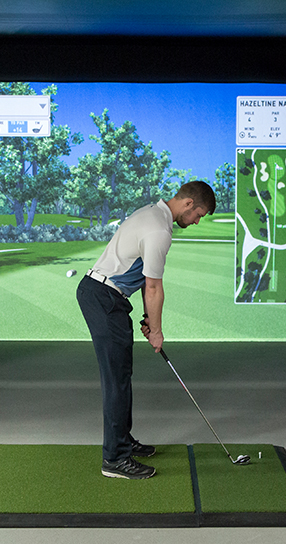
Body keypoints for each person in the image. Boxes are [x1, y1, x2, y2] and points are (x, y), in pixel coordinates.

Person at [76, 180, 216, 479]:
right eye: (199, 214)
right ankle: (114, 459)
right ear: (189, 204)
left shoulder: (153, 213)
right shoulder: (159, 230)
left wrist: (149, 319)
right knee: (116, 379)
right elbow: (153, 287)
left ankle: (122, 442)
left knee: (122, 374)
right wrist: (157, 331)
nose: (197, 221)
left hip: (106, 295)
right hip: (104, 298)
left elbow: (141, 273)